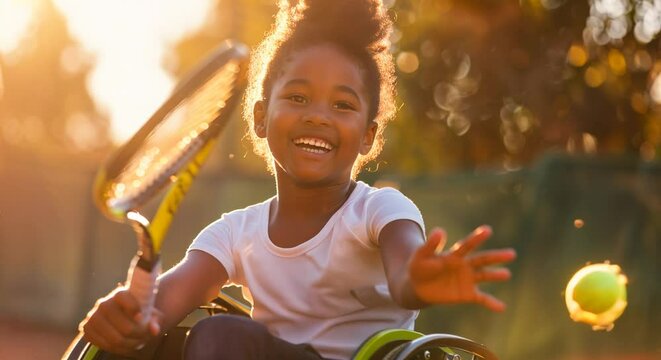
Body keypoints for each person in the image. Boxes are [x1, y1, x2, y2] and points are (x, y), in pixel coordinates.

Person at [79, 0, 517, 359]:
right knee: (120, 350)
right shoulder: (234, 233)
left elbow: (404, 278)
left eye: (342, 105)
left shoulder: (381, 209)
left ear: (368, 137)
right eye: (298, 97)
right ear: (261, 118)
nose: (317, 116)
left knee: (223, 338)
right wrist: (126, 319)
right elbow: (158, 310)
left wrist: (419, 281)